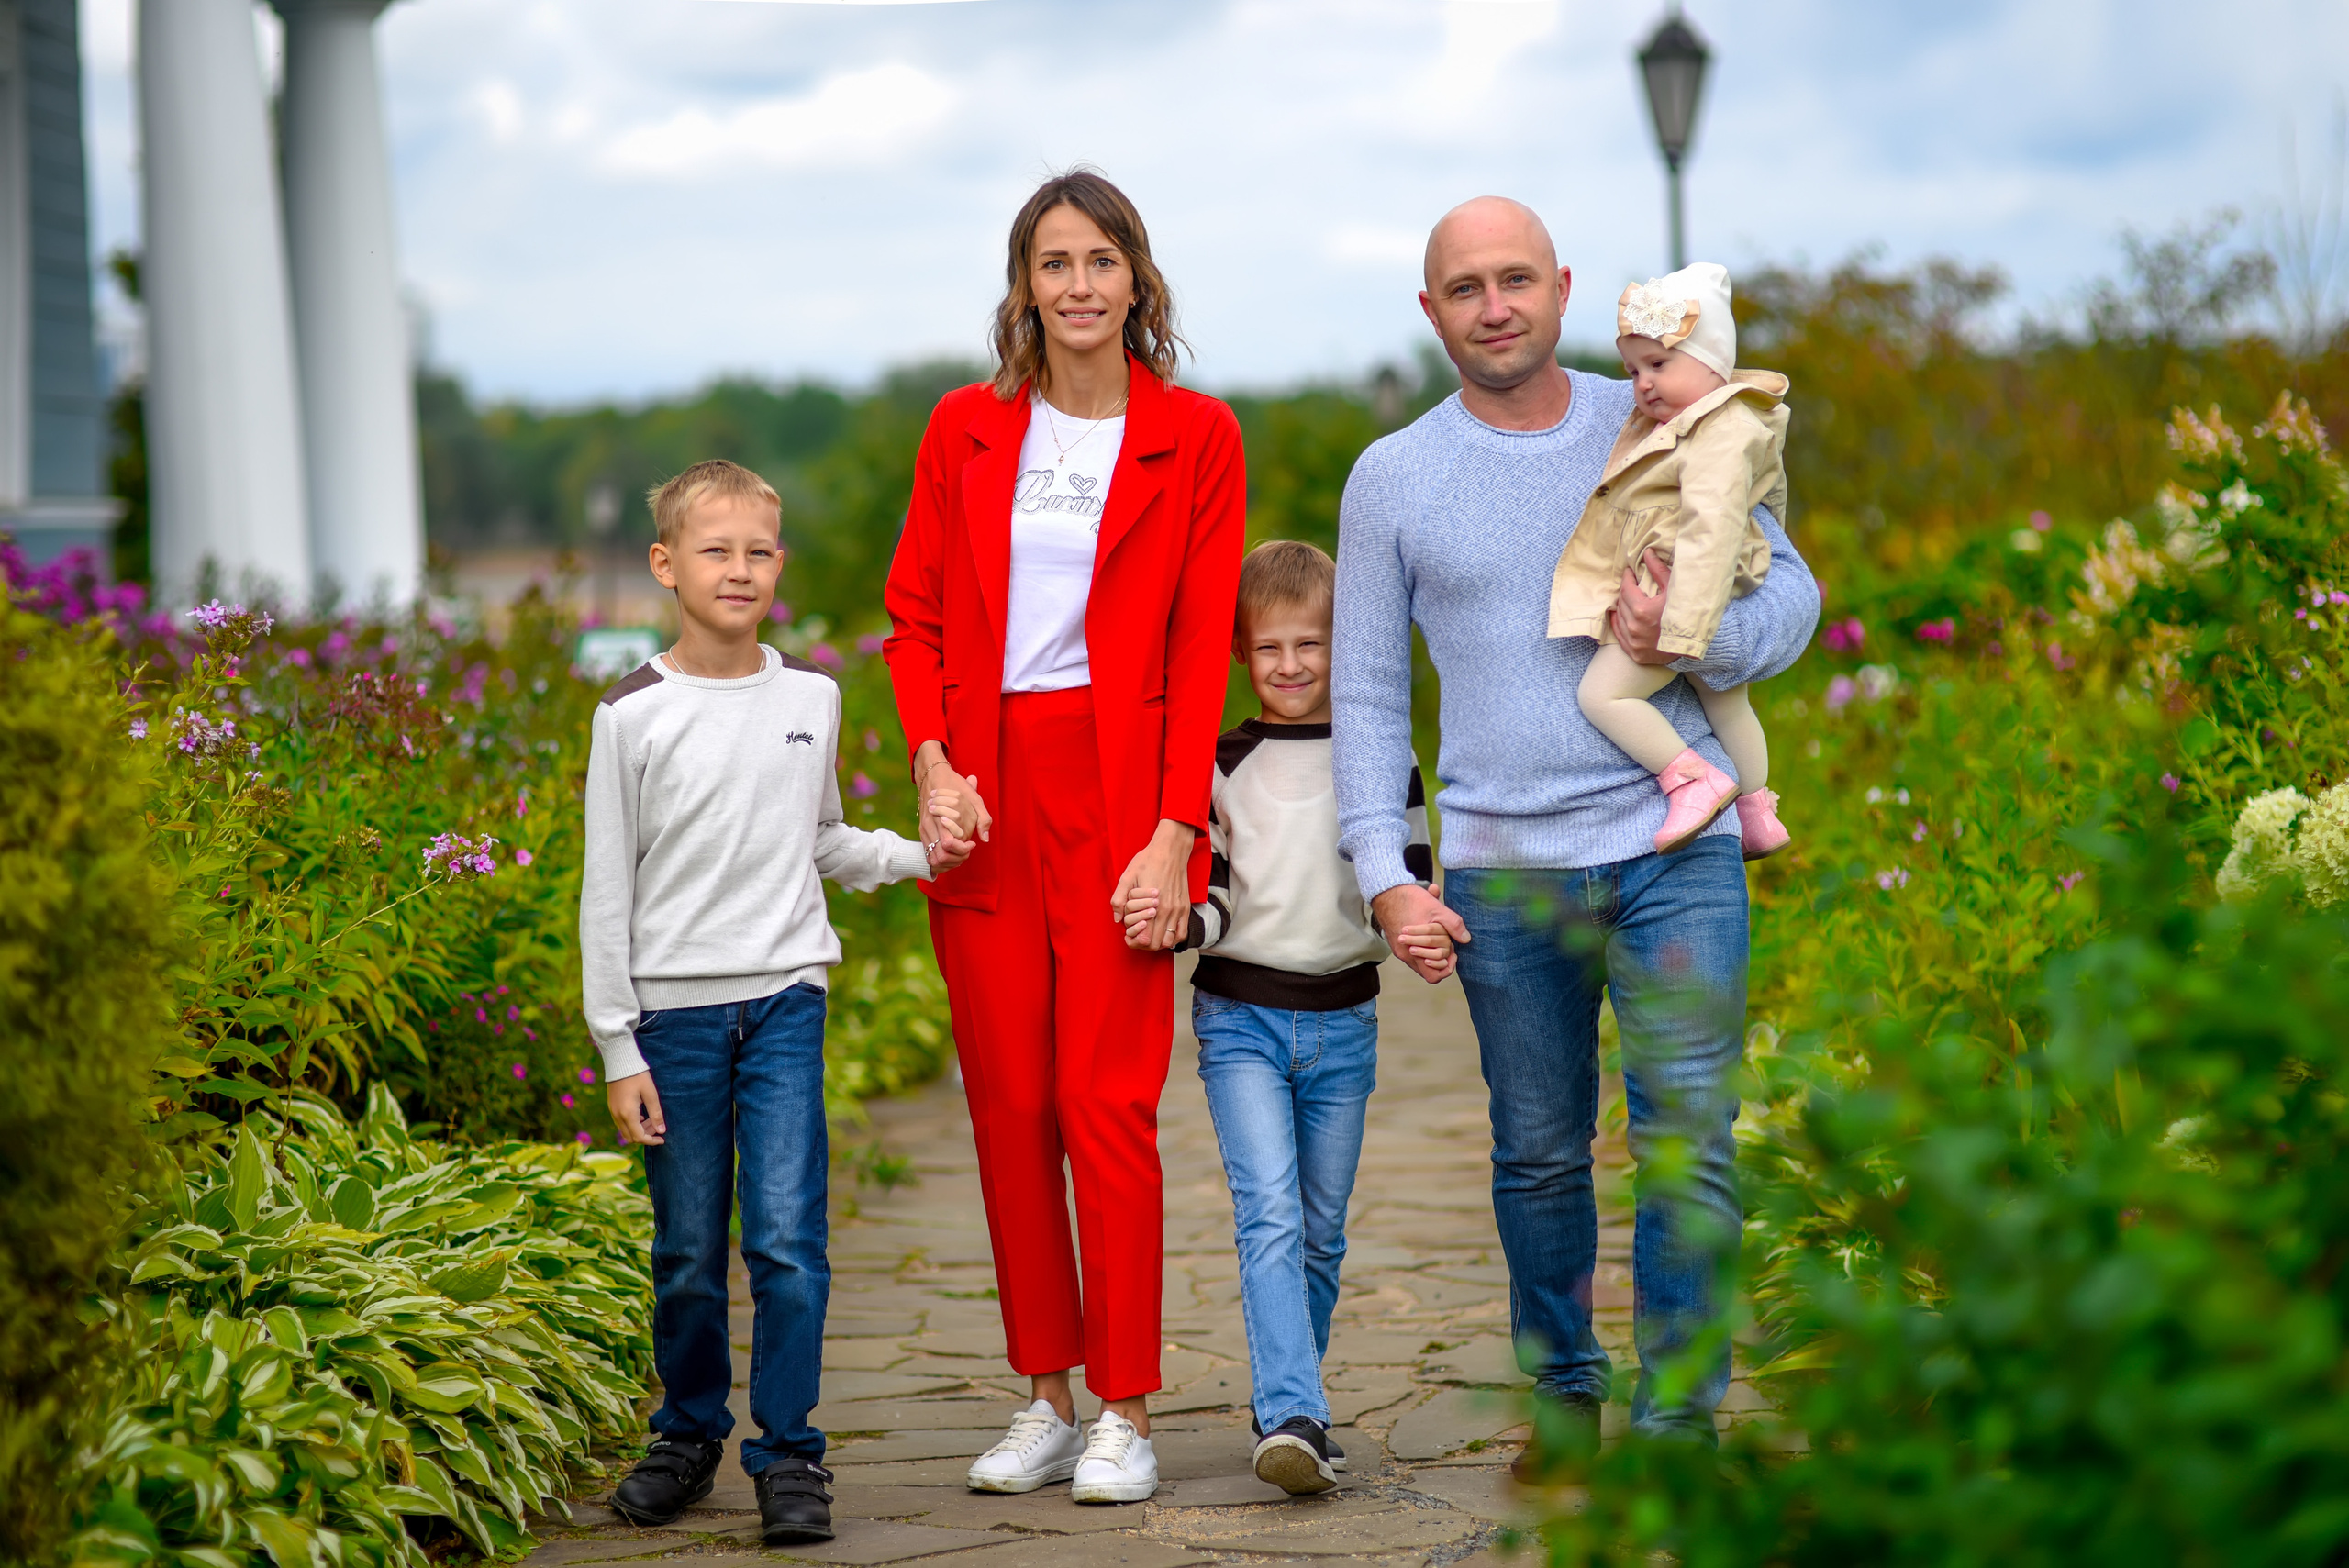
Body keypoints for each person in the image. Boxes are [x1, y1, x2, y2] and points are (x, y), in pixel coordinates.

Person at [1331, 198, 1820, 1454]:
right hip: (1506, 872)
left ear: (1560, 287)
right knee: (1539, 1155)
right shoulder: (1392, 477)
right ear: (1430, 310)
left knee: (1688, 1144)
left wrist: (1695, 634)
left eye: (1516, 281)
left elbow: (1792, 590)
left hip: (1676, 845)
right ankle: (1562, 1389)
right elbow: (1371, 695)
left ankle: (1679, 1422)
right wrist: (1388, 873)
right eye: (1464, 288)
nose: (1495, 307)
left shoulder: (1660, 407)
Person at [882, 169, 1245, 1505]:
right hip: (986, 798)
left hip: (1120, 791)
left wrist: (1172, 831)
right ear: (1023, 285)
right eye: (1054, 263)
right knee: (1009, 1104)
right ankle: (1042, 1392)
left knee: (1108, 1104)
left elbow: (1203, 642)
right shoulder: (966, 428)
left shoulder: (1196, 436)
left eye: (1102, 260)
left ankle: (1126, 1409)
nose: (1079, 285)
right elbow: (911, 614)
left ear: (1138, 280)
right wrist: (931, 763)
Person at [583, 460, 966, 1544]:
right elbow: (605, 888)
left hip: (787, 1002)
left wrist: (920, 854)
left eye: (758, 550)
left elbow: (823, 837)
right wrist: (618, 1042)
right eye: (715, 550)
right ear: (666, 564)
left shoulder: (812, 697)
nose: (739, 569)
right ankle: (687, 1433)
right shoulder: (632, 715)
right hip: (674, 1021)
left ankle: (790, 1453)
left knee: (791, 1243)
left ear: (779, 562)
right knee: (689, 1251)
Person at [1120, 539, 1451, 1496]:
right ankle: (1291, 1411)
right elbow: (1219, 892)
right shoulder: (1224, 762)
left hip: (1345, 1020)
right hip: (1242, 1019)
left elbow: (1407, 884)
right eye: (1270, 648)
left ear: (1342, 647)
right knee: (1266, 1214)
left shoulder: (1382, 760)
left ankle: (1294, 1402)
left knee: (1319, 1229)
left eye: (1311, 644)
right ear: (1240, 653)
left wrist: (1418, 929)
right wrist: (1183, 921)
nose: (1293, 664)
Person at [1548, 262, 1792, 860]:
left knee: (1603, 695)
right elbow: (1770, 501)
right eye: (1633, 370)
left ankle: (1691, 778)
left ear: (1713, 363)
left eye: (1660, 364)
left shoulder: (1719, 432)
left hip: (1683, 594)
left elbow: (1710, 530)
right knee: (1726, 697)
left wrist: (1679, 633)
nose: (1643, 384)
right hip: (1696, 586)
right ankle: (1758, 809)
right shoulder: (1705, 424)